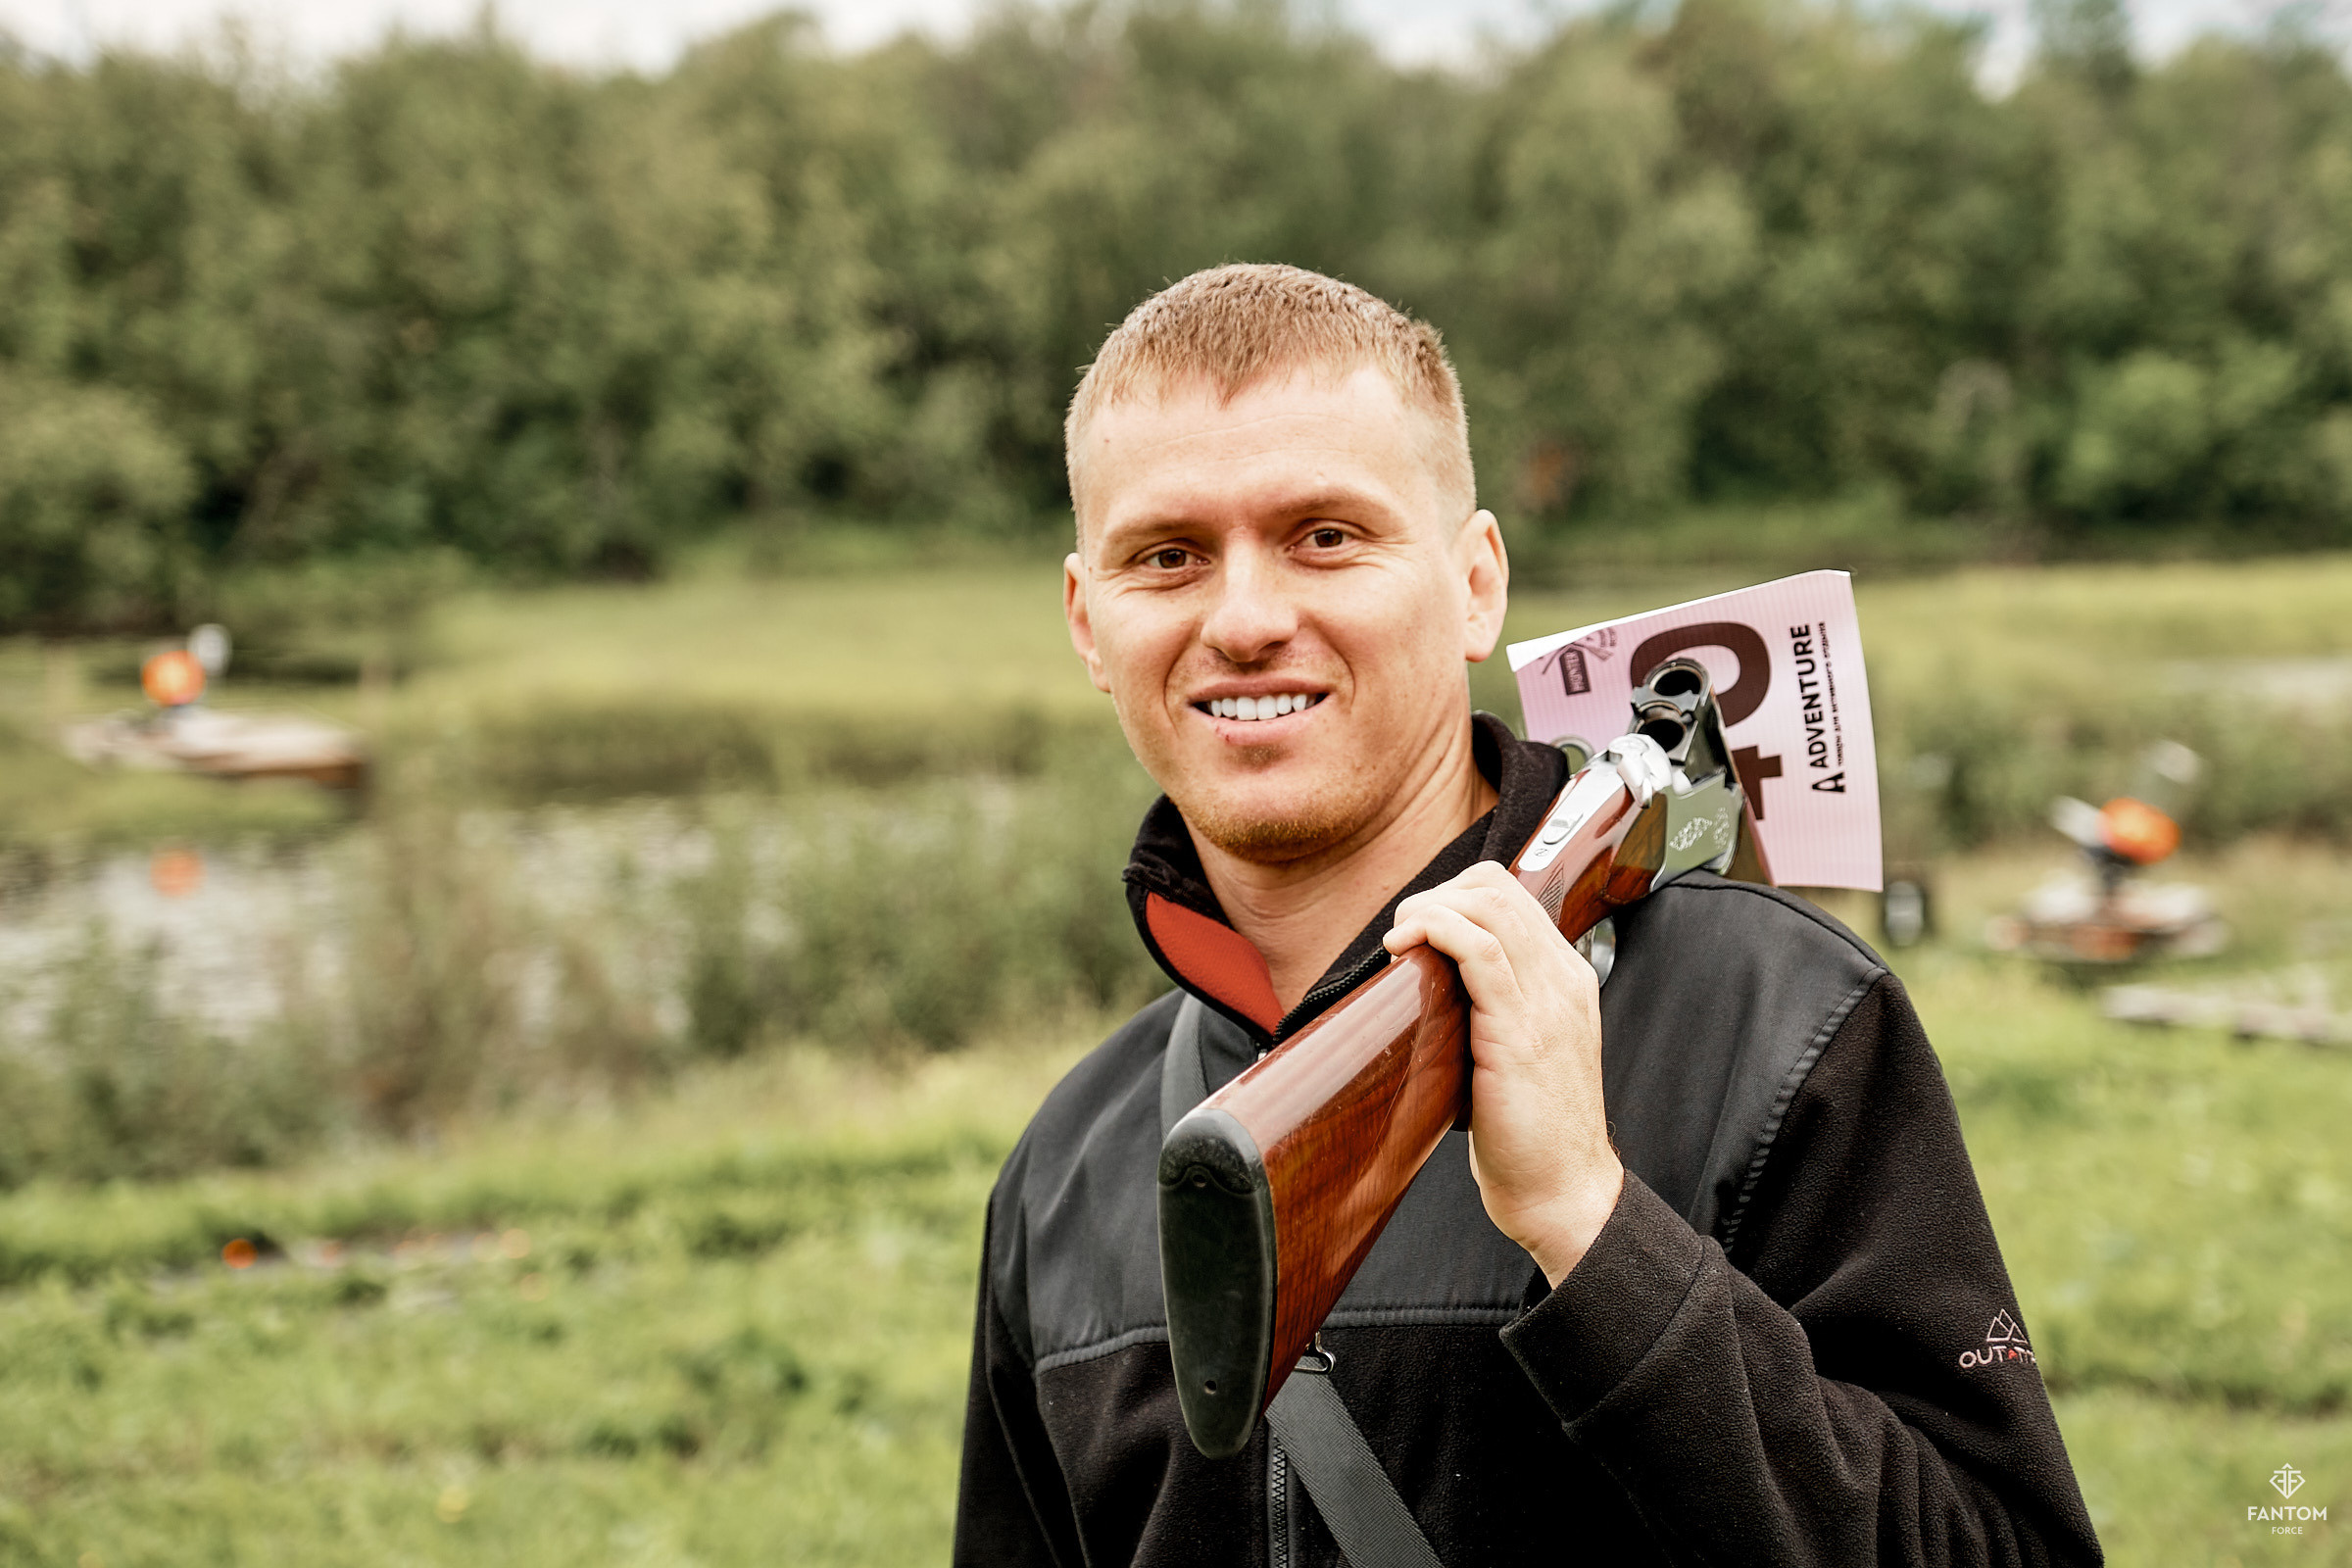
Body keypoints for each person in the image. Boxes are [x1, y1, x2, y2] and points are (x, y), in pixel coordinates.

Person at [953, 263, 2100, 1567]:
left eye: (1328, 535)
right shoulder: (1063, 1166)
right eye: (1167, 556)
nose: (1249, 618)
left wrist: (1594, 1229)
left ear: (1477, 582)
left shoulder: (1779, 1023)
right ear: (1086, 622)